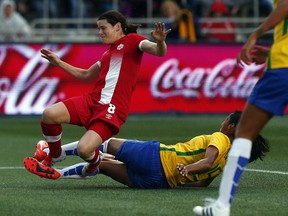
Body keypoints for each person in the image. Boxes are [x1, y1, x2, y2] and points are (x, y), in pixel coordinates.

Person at [23, 10, 171, 178]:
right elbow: (85, 75)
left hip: (112, 109)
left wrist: (160, 42)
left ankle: (94, 164)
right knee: (49, 114)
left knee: (84, 150)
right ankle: (55, 155)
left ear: (117, 27)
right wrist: (58, 62)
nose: (100, 32)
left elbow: (159, 51)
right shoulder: (108, 53)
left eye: (103, 28)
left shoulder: (133, 41)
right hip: (93, 101)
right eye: (98, 29)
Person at [193, 1, 288, 215]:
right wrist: (270, 54)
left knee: (244, 133)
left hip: (283, 68)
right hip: (280, 61)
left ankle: (221, 206)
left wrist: (256, 33)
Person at [24, 111, 269, 189]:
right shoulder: (228, 161)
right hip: (158, 182)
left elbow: (205, 162)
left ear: (231, 126)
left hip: (157, 157)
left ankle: (55, 154)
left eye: (226, 119)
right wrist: (179, 176)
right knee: (102, 165)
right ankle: (60, 174)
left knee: (104, 142)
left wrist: (187, 166)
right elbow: (203, 183)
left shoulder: (221, 138)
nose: (222, 122)